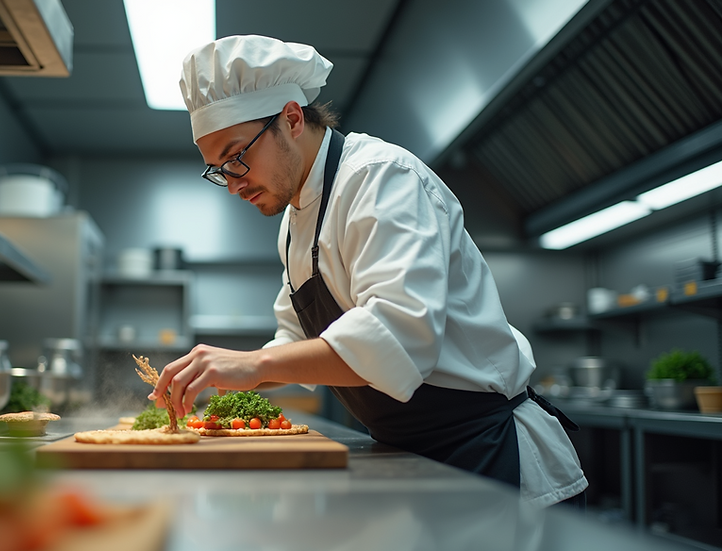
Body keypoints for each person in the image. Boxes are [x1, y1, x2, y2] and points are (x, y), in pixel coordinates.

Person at [148, 35, 587, 508]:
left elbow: (399, 331)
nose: (233, 185)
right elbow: (295, 345)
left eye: (237, 158)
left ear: (292, 118)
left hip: (487, 454)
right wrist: (230, 372)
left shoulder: (381, 178)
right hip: (410, 454)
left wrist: (253, 366)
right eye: (218, 170)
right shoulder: (296, 224)